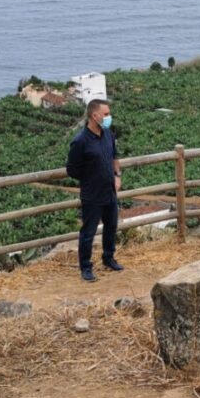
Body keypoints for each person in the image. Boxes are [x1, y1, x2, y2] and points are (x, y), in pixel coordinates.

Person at [66, 99, 123, 282]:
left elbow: (114, 155)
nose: (109, 117)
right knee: (88, 232)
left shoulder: (108, 134)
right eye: (106, 114)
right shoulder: (80, 141)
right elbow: (72, 169)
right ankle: (86, 267)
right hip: (92, 194)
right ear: (94, 115)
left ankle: (108, 258)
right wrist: (90, 177)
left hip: (109, 191)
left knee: (111, 227)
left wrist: (117, 175)